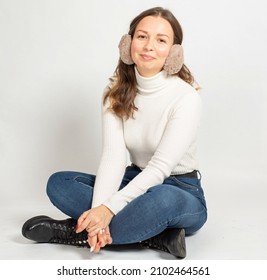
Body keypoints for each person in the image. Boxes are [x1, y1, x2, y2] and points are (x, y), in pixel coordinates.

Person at [22, 6, 207, 259]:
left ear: (175, 52)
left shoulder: (185, 98)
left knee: (161, 200)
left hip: (180, 189)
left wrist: (109, 209)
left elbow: (160, 169)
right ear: (128, 43)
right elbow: (113, 158)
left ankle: (72, 231)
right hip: (134, 178)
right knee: (60, 183)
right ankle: (156, 235)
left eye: (161, 40)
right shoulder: (115, 89)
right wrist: (101, 209)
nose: (149, 46)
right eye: (142, 36)